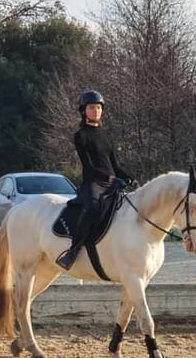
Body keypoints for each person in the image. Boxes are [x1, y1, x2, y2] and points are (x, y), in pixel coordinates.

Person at [55, 90, 136, 270]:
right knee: (92, 209)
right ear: (84, 111)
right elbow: (89, 166)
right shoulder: (81, 136)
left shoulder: (105, 136)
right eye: (92, 108)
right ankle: (73, 252)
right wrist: (110, 177)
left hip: (111, 182)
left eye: (98, 107)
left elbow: (114, 165)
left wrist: (129, 178)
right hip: (93, 183)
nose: (96, 111)